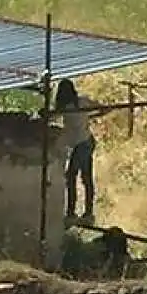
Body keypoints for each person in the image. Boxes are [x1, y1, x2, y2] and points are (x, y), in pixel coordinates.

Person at [55, 78, 106, 225]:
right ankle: (87, 214)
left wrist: (88, 117)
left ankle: (72, 213)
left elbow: (51, 116)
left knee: (71, 176)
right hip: (86, 141)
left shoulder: (65, 106)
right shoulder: (81, 102)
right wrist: (89, 117)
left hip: (81, 144)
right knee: (86, 178)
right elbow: (105, 108)